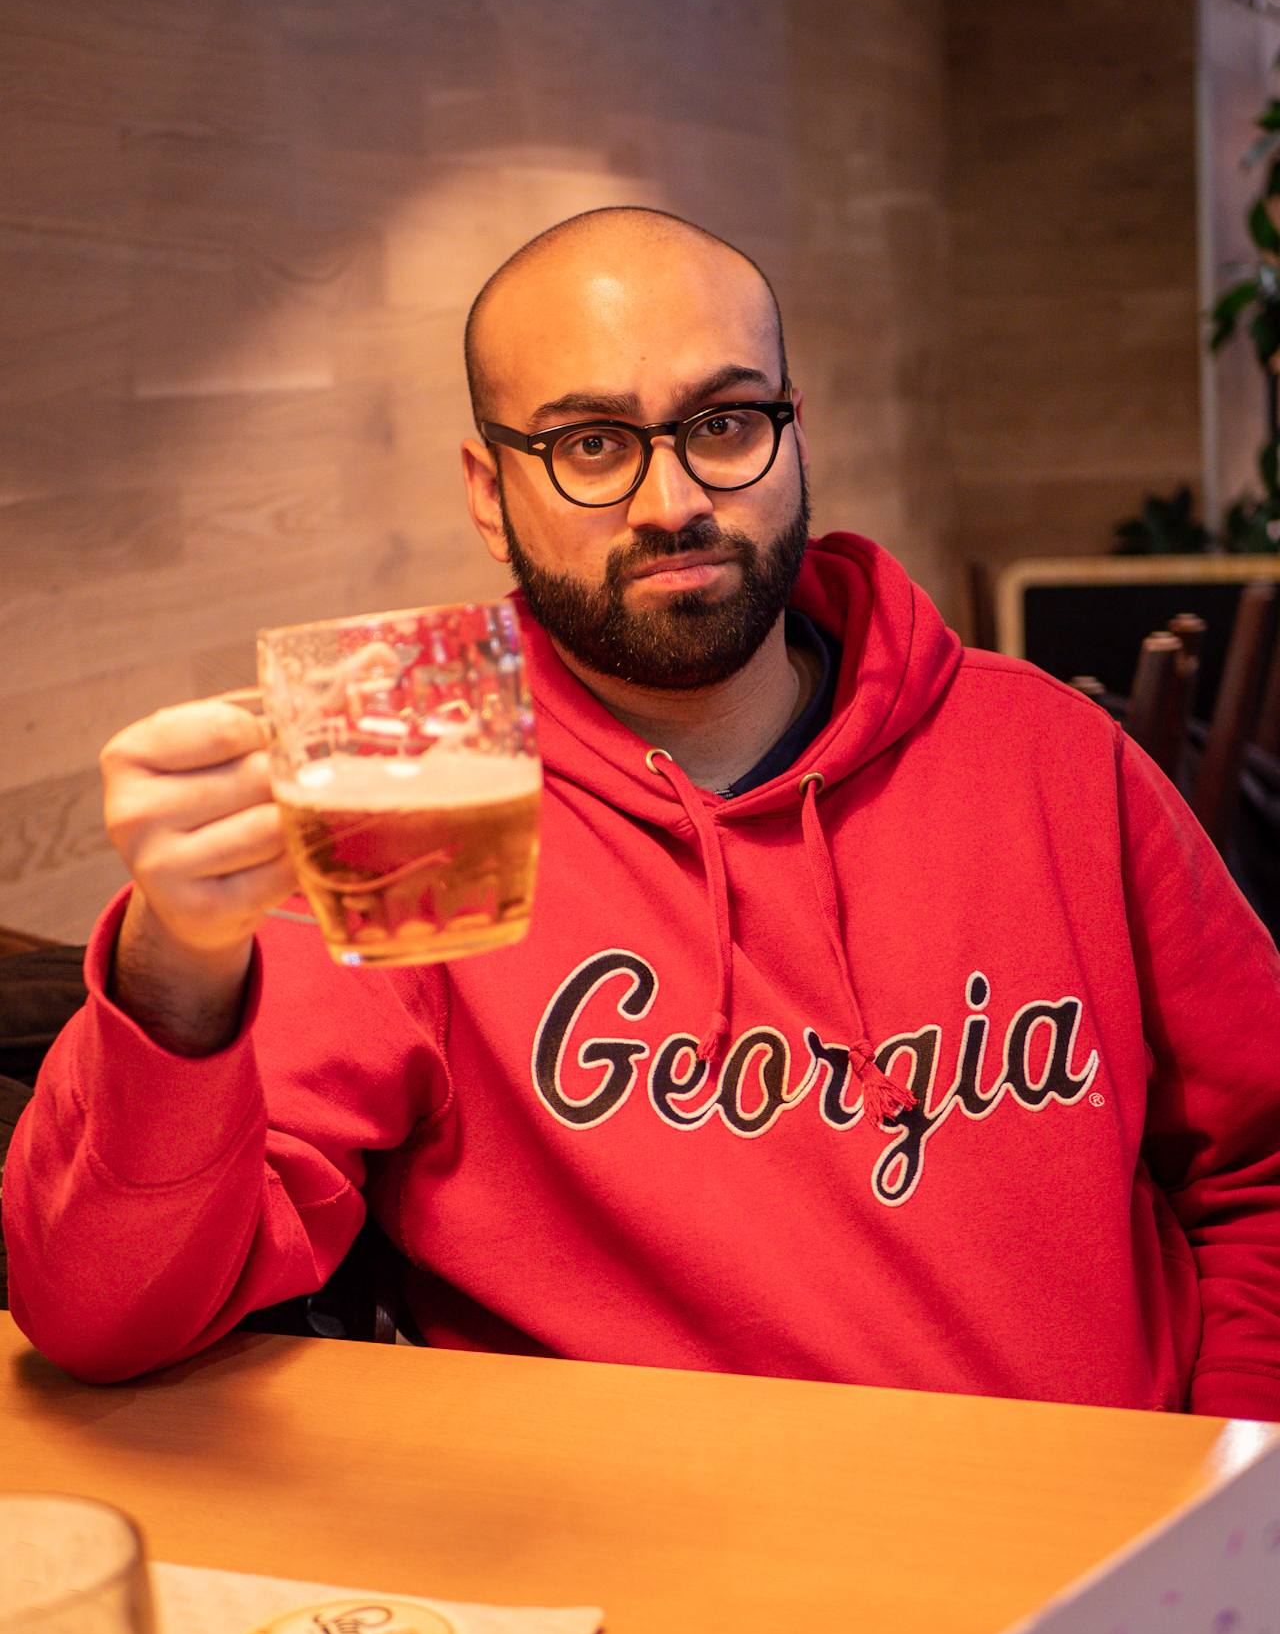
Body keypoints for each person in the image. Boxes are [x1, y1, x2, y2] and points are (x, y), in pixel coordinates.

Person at [6, 206, 1280, 1414]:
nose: (671, 503)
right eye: (590, 444)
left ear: (794, 434)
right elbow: (106, 1316)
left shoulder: (1054, 759)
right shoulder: (414, 806)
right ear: (486, 492)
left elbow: (1261, 1171)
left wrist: (1234, 1482)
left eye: (723, 423)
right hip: (659, 1553)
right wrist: (179, 962)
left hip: (1131, 1539)